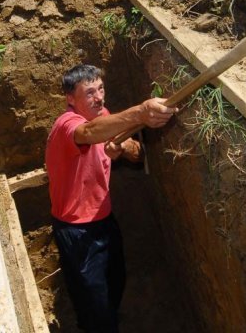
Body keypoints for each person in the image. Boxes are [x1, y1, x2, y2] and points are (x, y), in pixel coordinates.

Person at [45, 64, 177, 332]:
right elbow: (89, 134)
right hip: (76, 231)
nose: (99, 97)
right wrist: (140, 112)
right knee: (94, 305)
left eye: (101, 88)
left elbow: (139, 155)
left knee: (115, 281)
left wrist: (124, 147)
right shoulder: (67, 124)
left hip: (104, 220)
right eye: (90, 92)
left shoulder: (104, 116)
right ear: (70, 98)